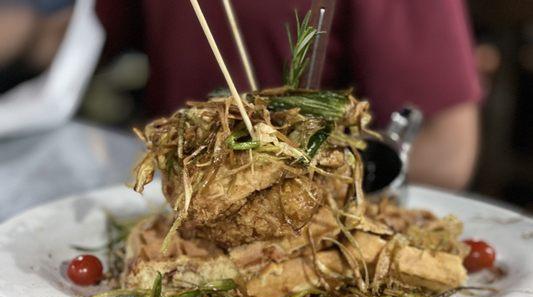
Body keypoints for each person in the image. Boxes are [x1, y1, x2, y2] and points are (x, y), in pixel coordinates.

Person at [1, 1, 481, 190]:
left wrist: (298, 182)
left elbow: (447, 152)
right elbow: (67, 40)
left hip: (317, 226)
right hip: (167, 208)